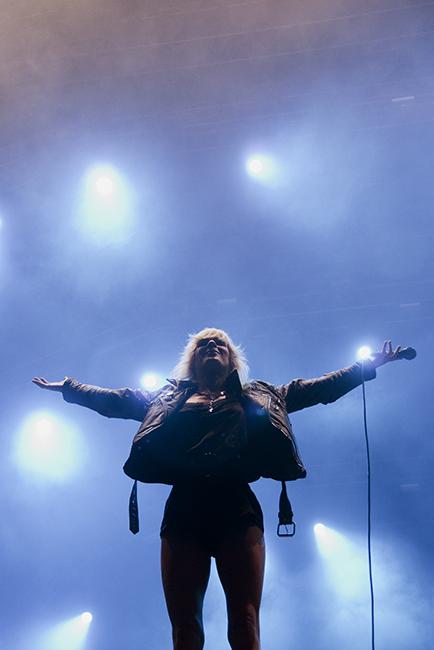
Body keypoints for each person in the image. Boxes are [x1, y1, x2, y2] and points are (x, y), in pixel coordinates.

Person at [32, 329, 402, 650]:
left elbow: (317, 388)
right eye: (203, 343)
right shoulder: (165, 398)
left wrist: (367, 367)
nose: (211, 346)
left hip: (236, 507)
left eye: (220, 343)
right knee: (185, 631)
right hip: (184, 509)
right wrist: (70, 387)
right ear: (192, 359)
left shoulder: (261, 394)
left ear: (232, 359)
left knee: (245, 622)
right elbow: (116, 400)